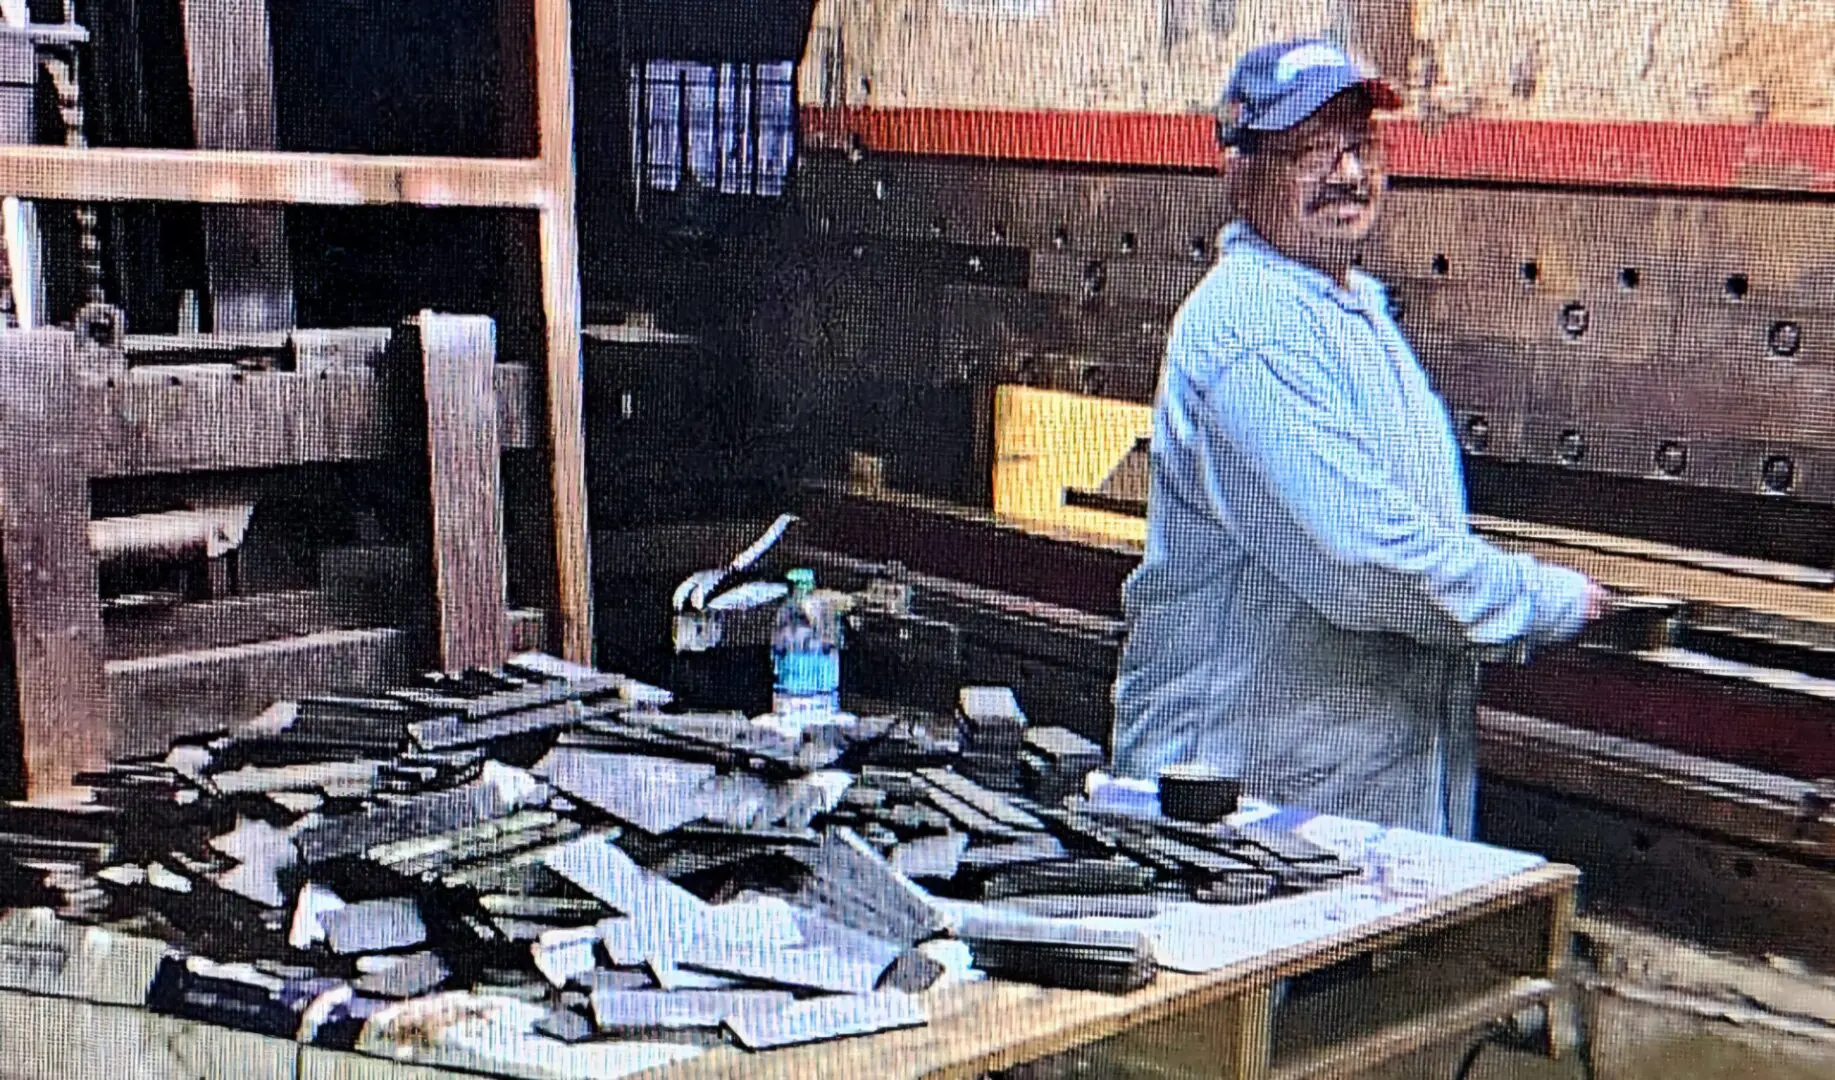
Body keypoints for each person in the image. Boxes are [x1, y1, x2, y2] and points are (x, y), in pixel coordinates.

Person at [1109, 38, 1610, 840]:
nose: (1346, 174)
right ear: (1237, 171)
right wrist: (1536, 599)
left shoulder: (1349, 309)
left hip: (1342, 806)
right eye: (1309, 150)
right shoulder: (1253, 324)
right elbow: (1364, 562)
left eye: (1360, 143)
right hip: (1236, 820)